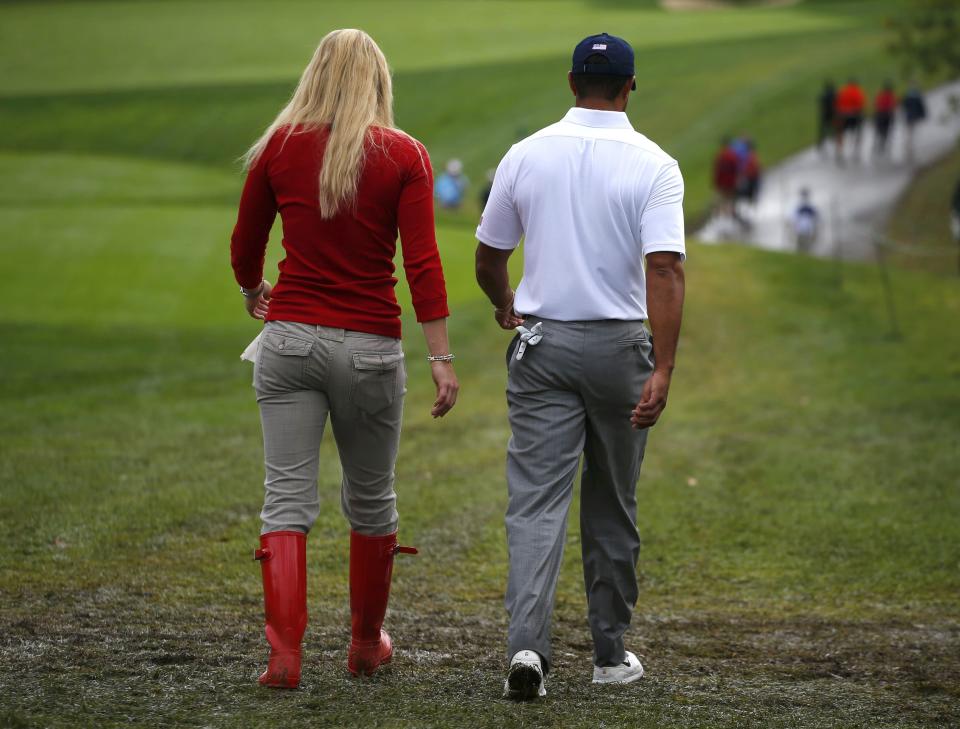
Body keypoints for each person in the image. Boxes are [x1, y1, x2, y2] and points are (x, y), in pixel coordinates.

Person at [230, 29, 459, 688]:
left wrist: (252, 289)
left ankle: (284, 656)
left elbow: (247, 242)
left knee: (286, 500)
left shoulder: (278, 145)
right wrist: (441, 355)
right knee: (371, 498)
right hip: (369, 347)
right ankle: (364, 643)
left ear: (314, 76)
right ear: (379, 83)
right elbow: (421, 262)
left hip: (289, 338)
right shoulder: (404, 155)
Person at [475, 33, 685, 701]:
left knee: (536, 501)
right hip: (623, 348)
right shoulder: (655, 165)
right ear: (630, 87)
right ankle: (608, 651)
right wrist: (666, 367)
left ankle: (528, 647)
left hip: (544, 347)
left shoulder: (525, 154)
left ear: (571, 83)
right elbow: (665, 268)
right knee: (612, 501)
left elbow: (488, 253)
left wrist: (505, 302)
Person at [834, 77, 866, 162]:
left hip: (842, 115)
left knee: (840, 133)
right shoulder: (858, 91)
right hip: (854, 115)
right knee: (859, 132)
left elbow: (837, 104)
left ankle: (839, 151)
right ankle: (856, 150)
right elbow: (860, 105)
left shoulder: (843, 91)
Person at [713, 136, 739, 220]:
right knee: (730, 201)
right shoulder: (733, 156)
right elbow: (736, 170)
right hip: (731, 183)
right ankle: (730, 217)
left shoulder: (720, 155)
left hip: (722, 183)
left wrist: (716, 183)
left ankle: (721, 217)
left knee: (722, 201)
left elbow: (717, 170)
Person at [902, 84, 928, 162]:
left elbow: (904, 106)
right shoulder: (918, 97)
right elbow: (922, 108)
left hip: (908, 117)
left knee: (909, 131)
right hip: (914, 117)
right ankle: (909, 146)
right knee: (912, 131)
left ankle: (908, 145)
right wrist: (923, 116)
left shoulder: (907, 97)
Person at [873, 81, 897, 157]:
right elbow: (893, 105)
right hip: (887, 115)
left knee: (879, 130)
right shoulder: (891, 96)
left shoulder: (880, 95)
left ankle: (877, 143)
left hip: (880, 114)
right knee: (886, 131)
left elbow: (876, 104)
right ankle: (883, 143)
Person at [792, 188, 819, 254]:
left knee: (807, 244)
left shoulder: (810, 207)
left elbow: (816, 218)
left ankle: (806, 253)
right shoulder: (798, 206)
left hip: (808, 228)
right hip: (800, 228)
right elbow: (794, 218)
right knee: (801, 243)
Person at [818, 80, 837, 152]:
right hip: (833, 114)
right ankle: (833, 139)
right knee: (834, 128)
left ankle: (821, 143)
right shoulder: (835, 94)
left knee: (823, 130)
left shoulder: (824, 95)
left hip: (825, 114)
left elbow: (820, 102)